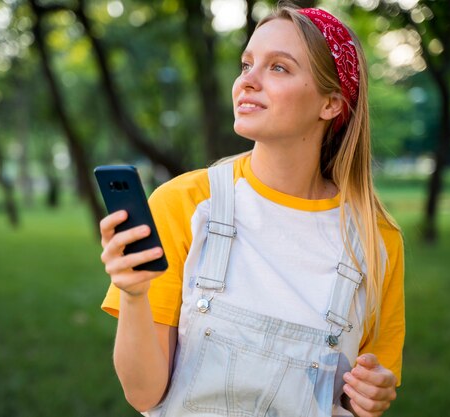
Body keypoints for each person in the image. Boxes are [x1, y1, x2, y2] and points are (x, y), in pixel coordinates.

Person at [99, 4, 405, 417]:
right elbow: (144, 394)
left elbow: (353, 394)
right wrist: (135, 297)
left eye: (278, 68)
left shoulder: (375, 239)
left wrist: (370, 394)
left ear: (331, 104)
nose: (248, 82)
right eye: (246, 65)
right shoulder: (184, 204)